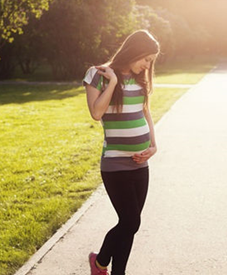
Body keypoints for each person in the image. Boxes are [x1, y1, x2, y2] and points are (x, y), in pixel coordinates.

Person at [82, 30, 160, 275]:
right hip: (115, 164)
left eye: (151, 61)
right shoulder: (98, 74)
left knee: (129, 225)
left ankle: (107, 267)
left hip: (140, 163)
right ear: (134, 50)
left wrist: (153, 145)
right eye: (146, 59)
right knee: (130, 221)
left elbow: (145, 111)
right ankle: (100, 263)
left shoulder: (141, 78)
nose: (147, 65)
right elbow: (96, 113)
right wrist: (114, 82)